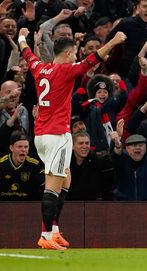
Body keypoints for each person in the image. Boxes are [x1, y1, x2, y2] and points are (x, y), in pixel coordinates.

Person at [17, 27, 127, 250]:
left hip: (45, 134)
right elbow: (92, 60)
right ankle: (45, 235)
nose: (76, 56)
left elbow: (26, 52)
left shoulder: (40, 67)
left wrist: (21, 36)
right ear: (68, 54)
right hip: (56, 135)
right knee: (53, 185)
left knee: (65, 180)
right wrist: (114, 42)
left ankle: (54, 231)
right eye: (74, 53)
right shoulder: (65, 70)